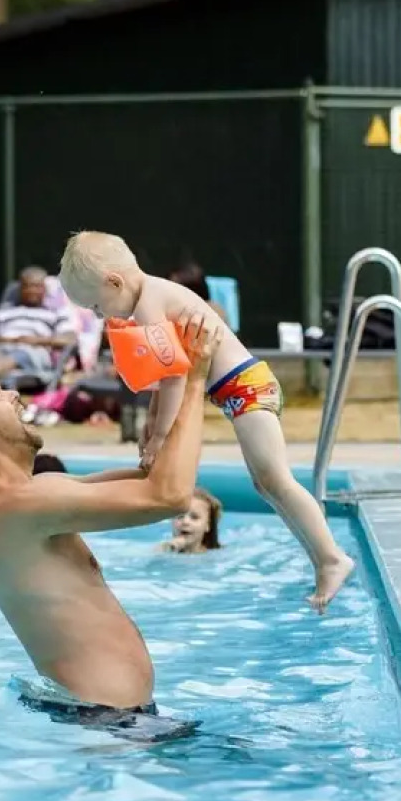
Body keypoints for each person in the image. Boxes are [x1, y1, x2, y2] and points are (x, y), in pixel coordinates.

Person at [0, 316, 220, 716]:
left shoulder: (29, 495)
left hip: (108, 717)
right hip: (105, 722)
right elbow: (171, 497)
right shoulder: (19, 505)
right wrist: (195, 379)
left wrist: (168, 380)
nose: (14, 394)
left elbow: (153, 477)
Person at [59, 230, 353, 611]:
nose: (101, 316)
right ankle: (321, 558)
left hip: (246, 386)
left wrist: (160, 436)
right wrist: (152, 427)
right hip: (240, 388)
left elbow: (174, 377)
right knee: (266, 485)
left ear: (114, 282)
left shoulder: (149, 305)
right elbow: (164, 377)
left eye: (98, 306)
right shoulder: (153, 296)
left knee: (276, 479)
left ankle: (331, 558)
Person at [161, 487, 223, 553]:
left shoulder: (215, 554)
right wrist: (169, 548)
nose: (185, 522)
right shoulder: (164, 549)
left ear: (208, 525)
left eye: (194, 517)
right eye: (180, 516)